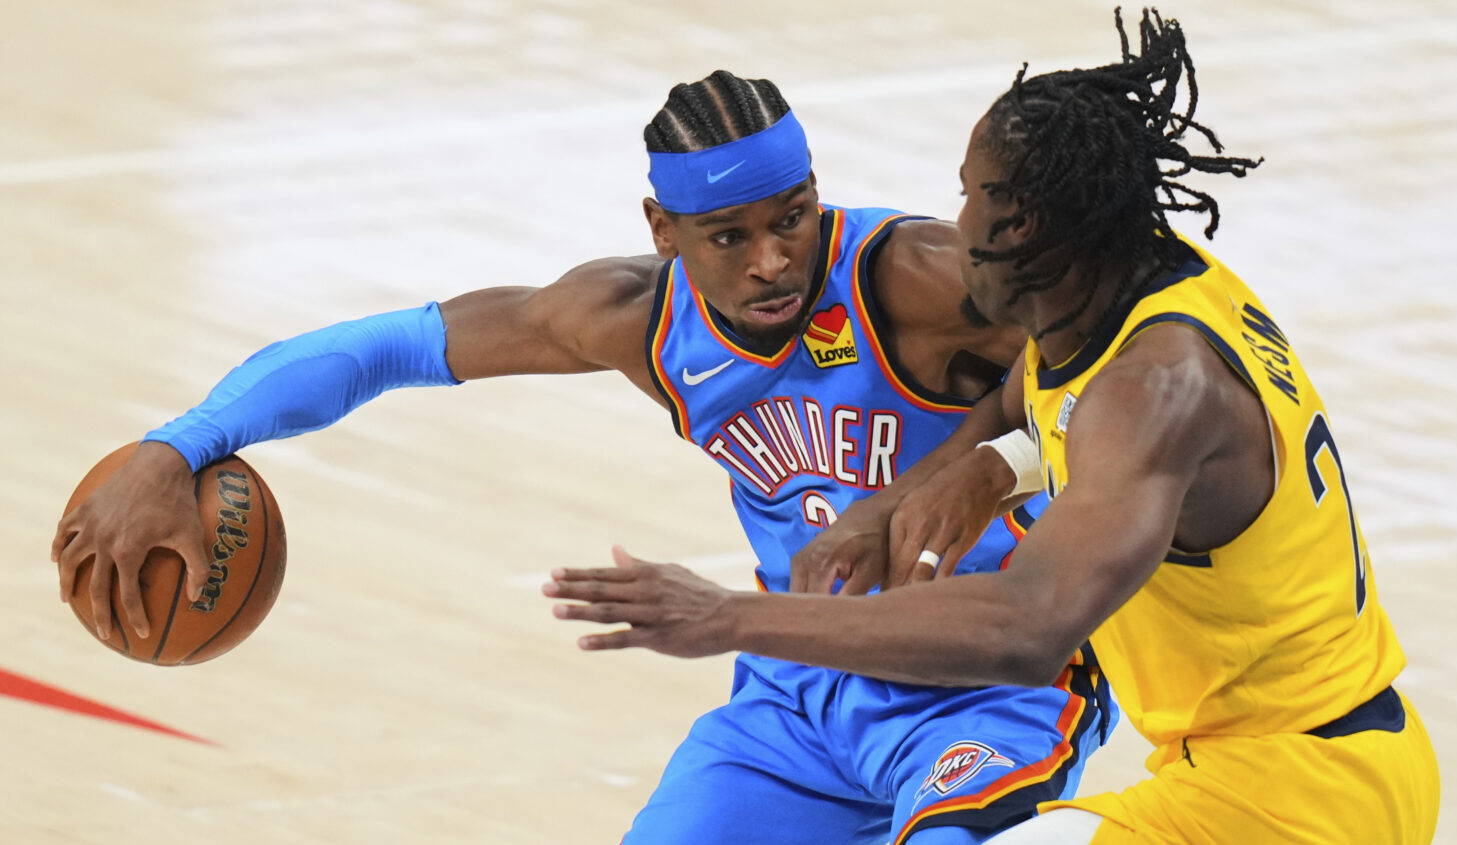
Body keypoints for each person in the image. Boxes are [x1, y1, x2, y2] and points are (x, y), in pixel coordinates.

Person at [51, 71, 1114, 844]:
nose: (775, 258)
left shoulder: (914, 277)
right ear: (663, 228)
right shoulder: (637, 322)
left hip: (987, 685)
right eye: (729, 236)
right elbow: (389, 348)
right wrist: (178, 444)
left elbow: (1110, 354)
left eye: (792, 219)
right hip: (804, 689)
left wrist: (982, 463)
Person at [544, 11, 1443, 844]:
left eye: (970, 195)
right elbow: (1030, 399)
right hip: (1256, 763)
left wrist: (733, 617)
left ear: (1024, 223)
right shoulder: (1130, 285)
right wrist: (958, 475)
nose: (956, 219)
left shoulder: (1153, 387)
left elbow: (1028, 628)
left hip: (1300, 794)